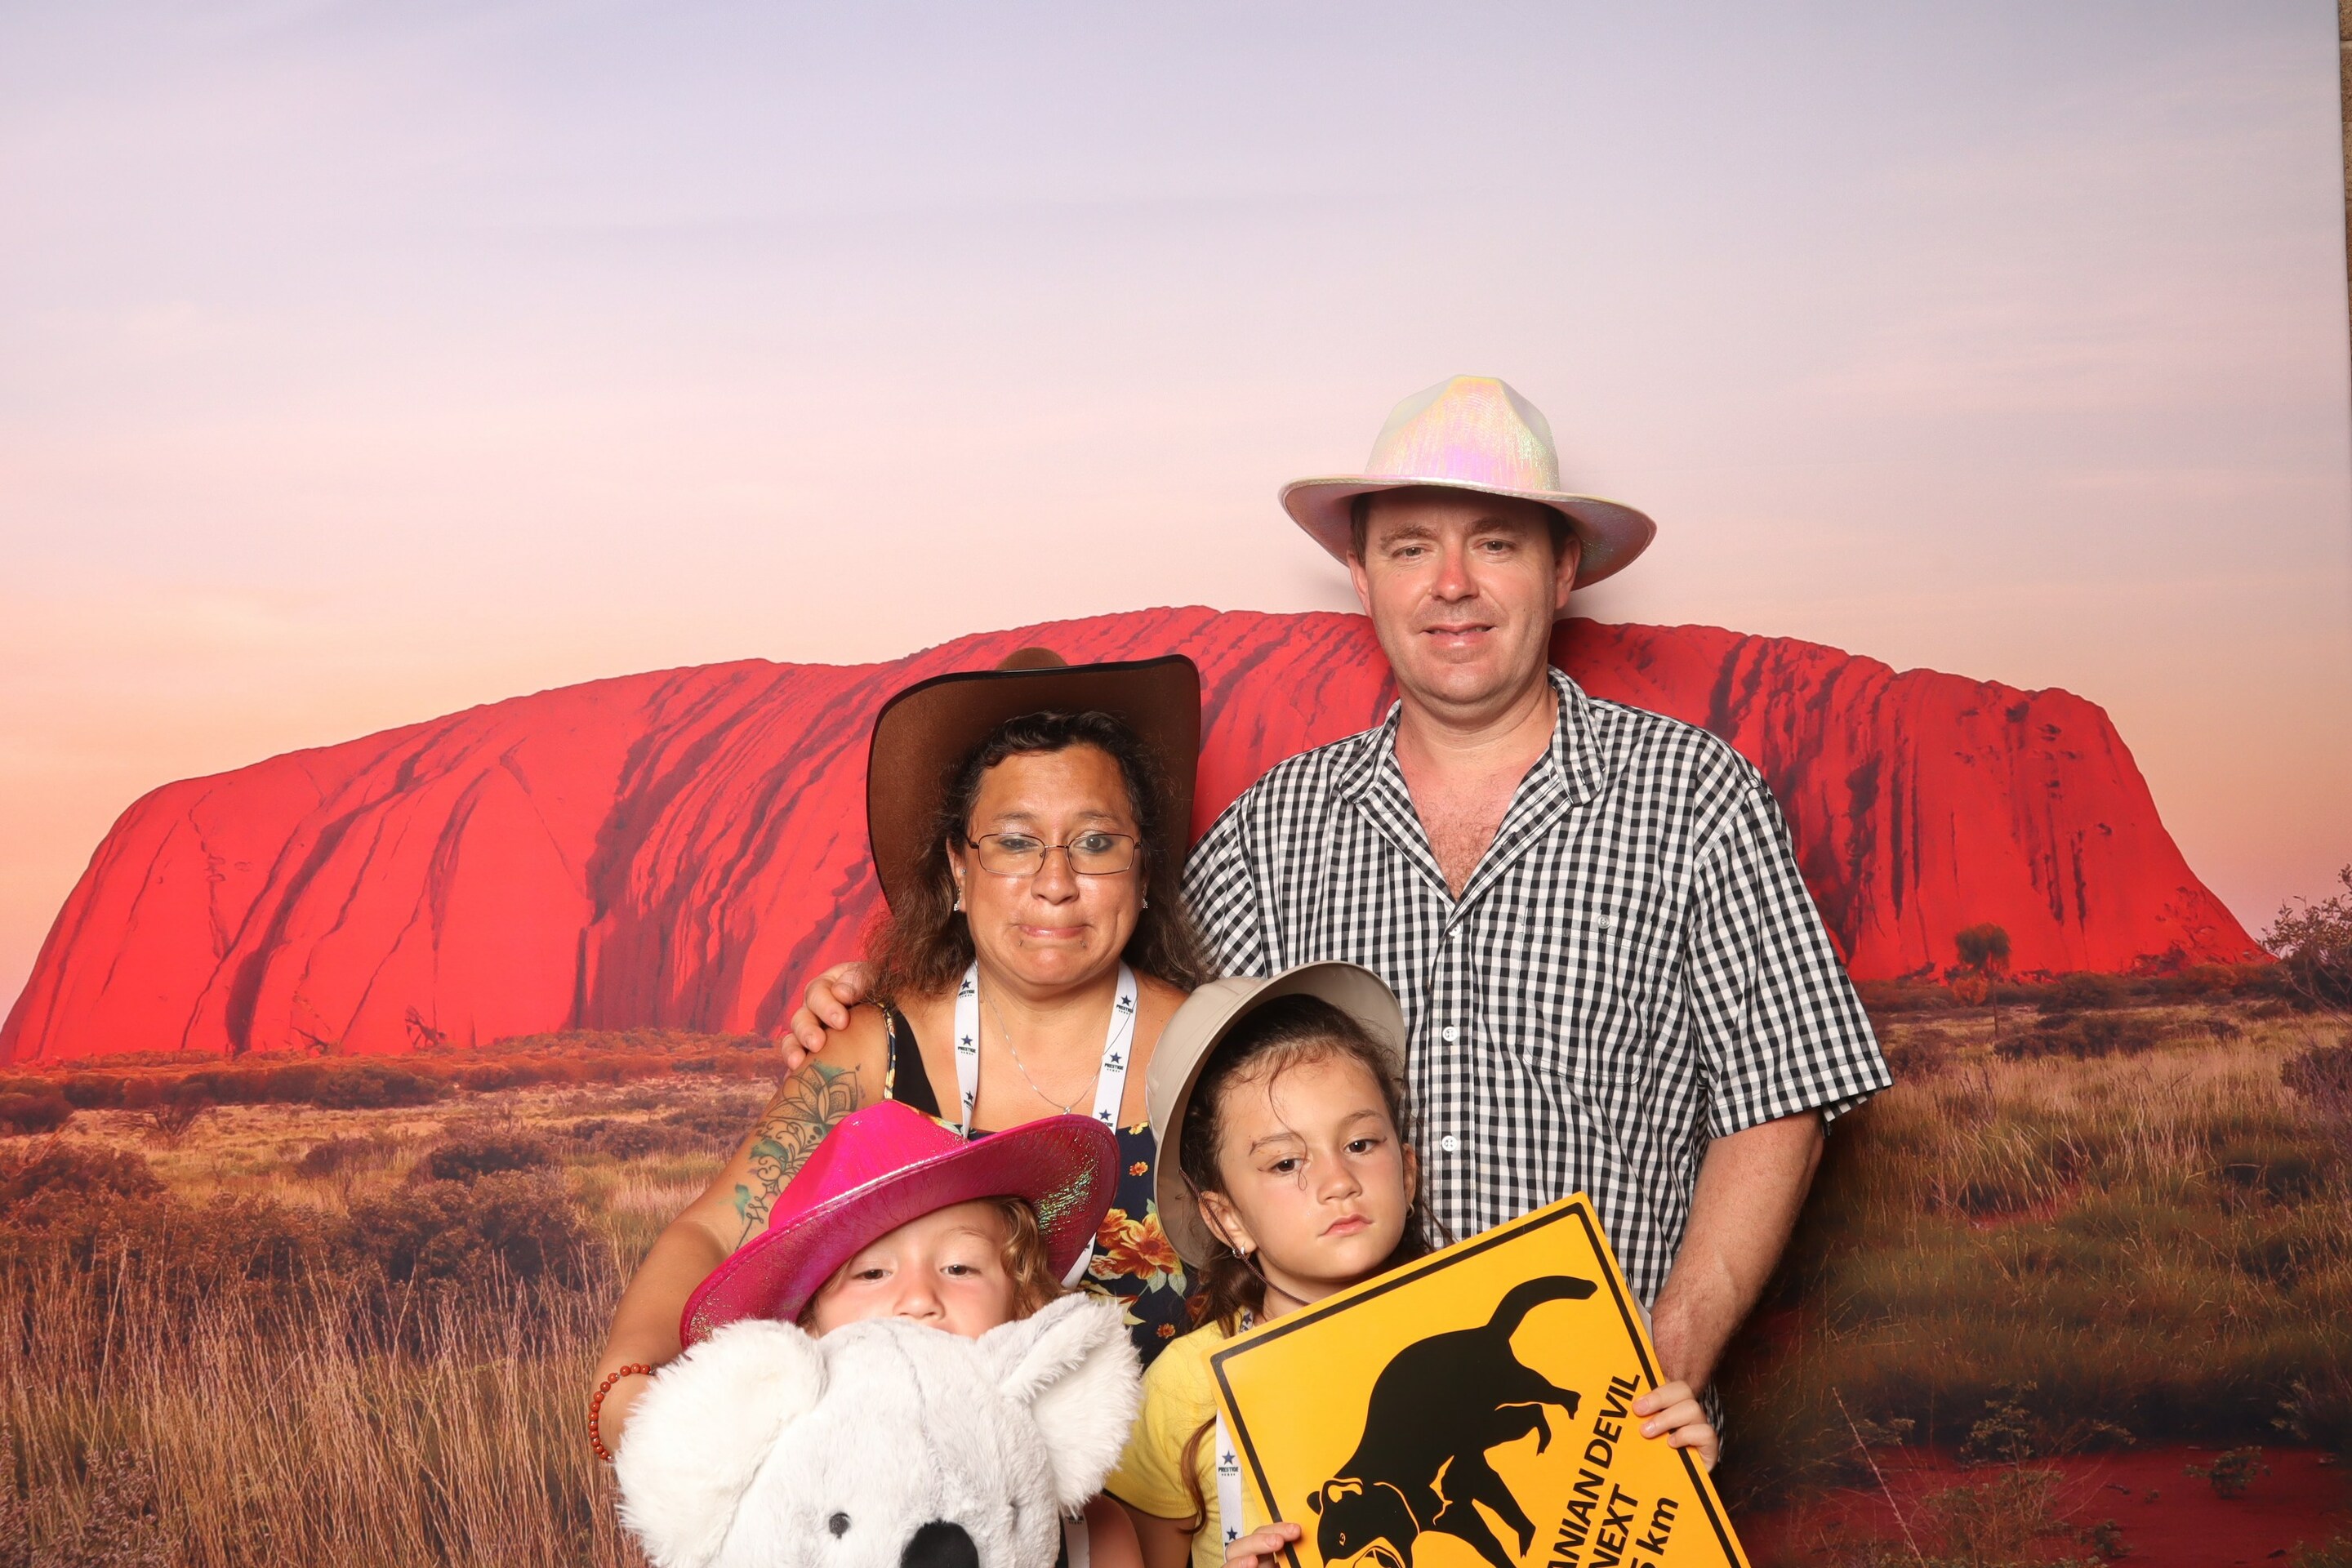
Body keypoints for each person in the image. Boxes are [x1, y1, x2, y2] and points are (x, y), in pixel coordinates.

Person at [788, 376, 1891, 1420]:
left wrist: (1669, 1355)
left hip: (1605, 1434)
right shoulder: (1279, 826)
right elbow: (1093, 988)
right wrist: (890, 997)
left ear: (1562, 571)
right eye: (1410, 548)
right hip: (1342, 1444)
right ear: (1363, 577)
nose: (1451, 585)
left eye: (1495, 543)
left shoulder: (1694, 798)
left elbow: (1780, 1099)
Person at [590, 652, 1214, 1454]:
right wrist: (628, 1382)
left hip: (1170, 1506)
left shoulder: (1213, 1049)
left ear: (1143, 868)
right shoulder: (871, 1049)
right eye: (1015, 843)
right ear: (958, 867)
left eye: (1095, 842)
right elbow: (715, 1231)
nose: (1055, 882)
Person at [1107, 964, 1717, 1568]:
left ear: (1406, 1171)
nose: (1338, 1181)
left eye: (1360, 1145)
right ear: (1226, 1219)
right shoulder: (1184, 1389)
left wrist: (1675, 1474)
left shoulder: (1509, 1330)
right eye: (1286, 1163)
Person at [630, 1096, 1146, 1568]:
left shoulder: (1092, 1536)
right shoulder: (766, 1522)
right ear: (806, 1331)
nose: (918, 1299)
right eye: (872, 1273)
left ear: (1024, 1306)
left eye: (960, 1268)